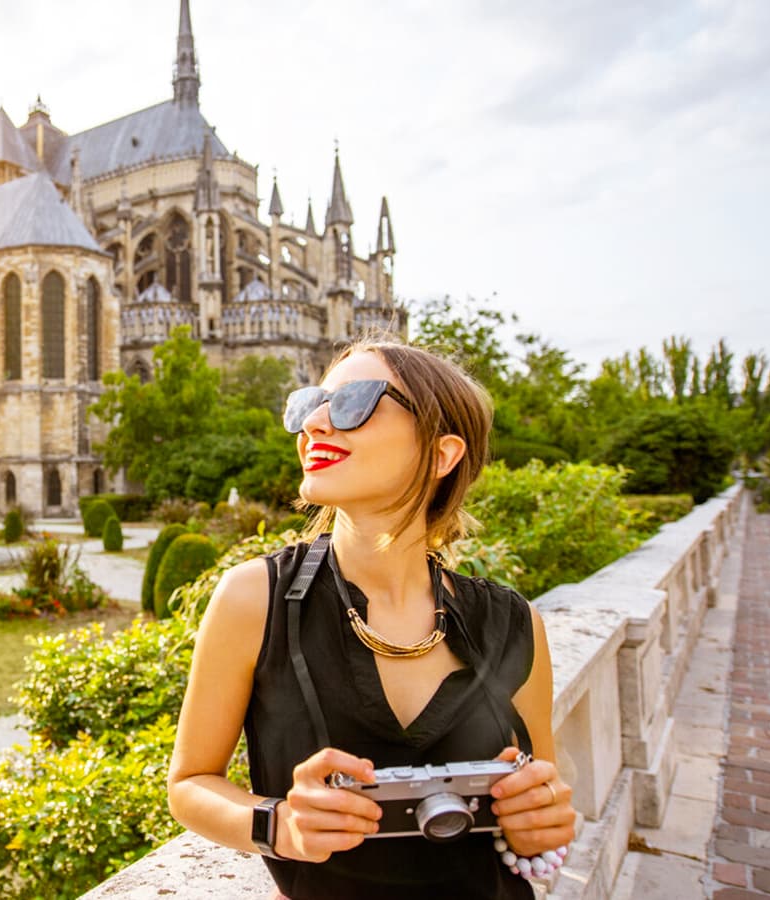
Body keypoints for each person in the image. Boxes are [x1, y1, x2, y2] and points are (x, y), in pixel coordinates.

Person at [167, 341, 576, 899]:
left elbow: (540, 799)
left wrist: (539, 825)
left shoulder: (513, 622)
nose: (314, 424)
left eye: (353, 403)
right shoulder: (254, 598)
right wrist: (279, 825)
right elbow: (190, 784)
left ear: (442, 453)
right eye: (310, 403)